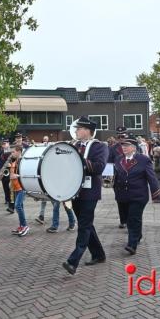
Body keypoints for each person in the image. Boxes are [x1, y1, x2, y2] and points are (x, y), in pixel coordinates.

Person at [62, 116, 108, 275]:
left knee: (84, 225)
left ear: (87, 130)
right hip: (75, 192)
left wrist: (79, 160)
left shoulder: (99, 147)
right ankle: (99, 254)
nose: (75, 131)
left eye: (78, 128)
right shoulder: (74, 145)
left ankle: (73, 260)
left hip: (90, 192)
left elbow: (99, 167)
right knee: (86, 224)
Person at [113, 138, 160, 255]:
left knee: (133, 218)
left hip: (138, 195)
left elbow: (151, 177)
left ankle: (132, 245)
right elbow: (116, 176)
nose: (124, 148)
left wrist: (156, 194)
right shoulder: (118, 159)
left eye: (127, 145)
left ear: (134, 147)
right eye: (122, 146)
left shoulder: (143, 160)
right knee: (131, 218)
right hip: (122, 195)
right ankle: (138, 235)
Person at [108, 126, 129, 228]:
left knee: (130, 200)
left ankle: (130, 220)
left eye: (123, 136)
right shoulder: (112, 148)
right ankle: (123, 220)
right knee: (120, 200)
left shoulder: (132, 146)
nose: (121, 138)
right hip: (118, 179)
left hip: (130, 178)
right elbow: (109, 163)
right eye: (119, 136)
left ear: (126, 135)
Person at [9, 145, 29, 236]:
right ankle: (21, 225)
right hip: (16, 187)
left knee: (17, 206)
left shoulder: (23, 161)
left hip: (21, 187)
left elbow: (26, 173)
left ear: (18, 152)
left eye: (13, 152)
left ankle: (25, 226)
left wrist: (17, 176)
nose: (12, 153)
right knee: (20, 206)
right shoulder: (15, 161)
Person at [36, 136, 51, 224]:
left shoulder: (50, 150)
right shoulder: (41, 150)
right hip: (45, 180)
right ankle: (41, 216)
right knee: (44, 199)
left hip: (50, 180)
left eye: (46, 139)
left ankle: (71, 220)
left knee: (56, 203)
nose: (45, 141)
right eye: (44, 139)